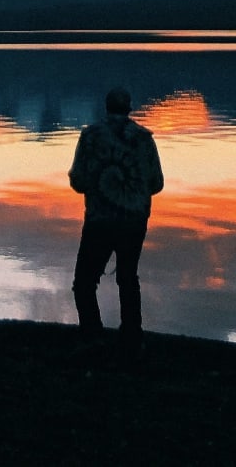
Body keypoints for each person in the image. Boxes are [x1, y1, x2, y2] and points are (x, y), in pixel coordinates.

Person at [69, 87, 164, 353]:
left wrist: (100, 189)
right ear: (130, 108)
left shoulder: (90, 136)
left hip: (100, 220)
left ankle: (92, 335)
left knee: (85, 281)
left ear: (106, 106)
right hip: (134, 221)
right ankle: (132, 337)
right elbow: (156, 183)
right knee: (128, 277)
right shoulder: (145, 139)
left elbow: (78, 180)